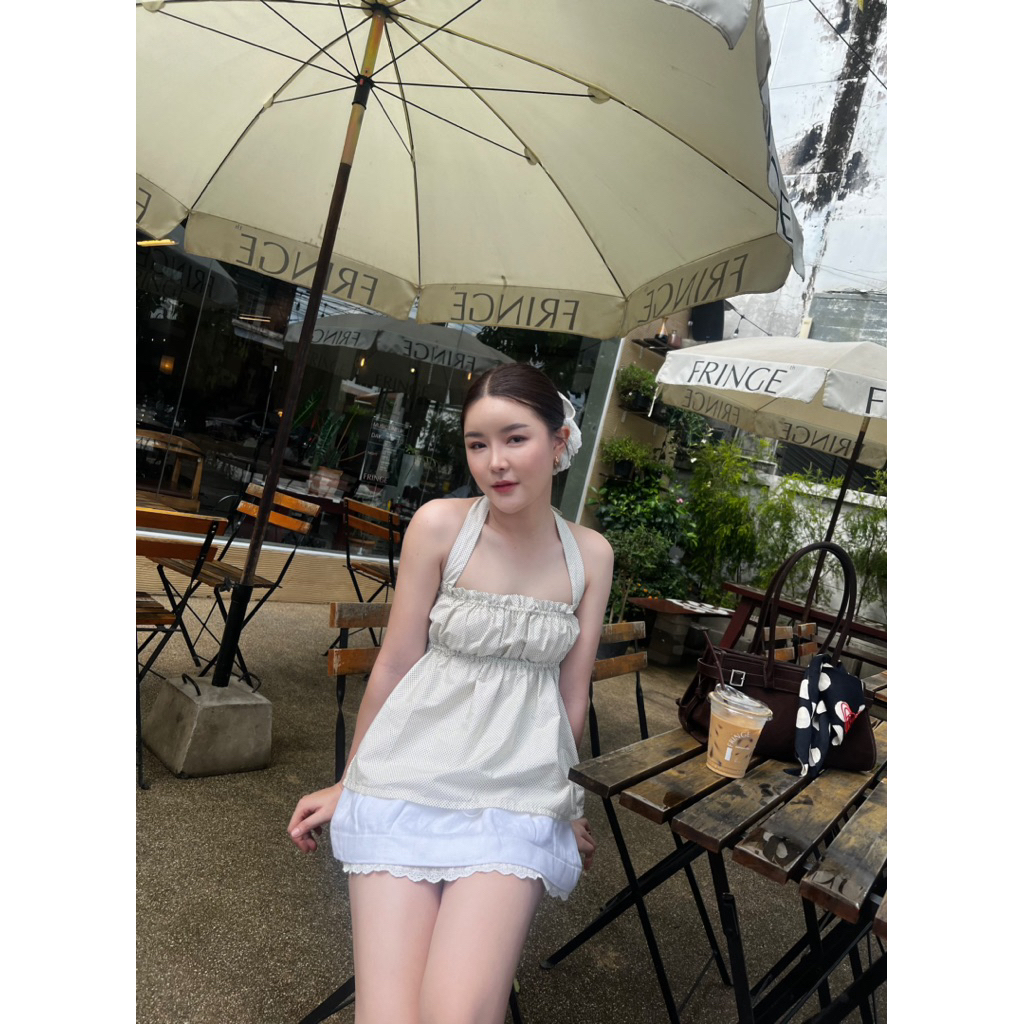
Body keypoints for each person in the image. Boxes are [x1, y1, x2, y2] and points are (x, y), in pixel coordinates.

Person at [287, 363, 614, 1024]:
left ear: (559, 441)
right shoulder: (440, 526)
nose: (496, 462)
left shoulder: (591, 555)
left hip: (516, 800)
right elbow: (395, 664)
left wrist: (561, 801)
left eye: (515, 438)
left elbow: (571, 697)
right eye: (477, 443)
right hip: (403, 779)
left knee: (457, 1012)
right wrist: (349, 780)